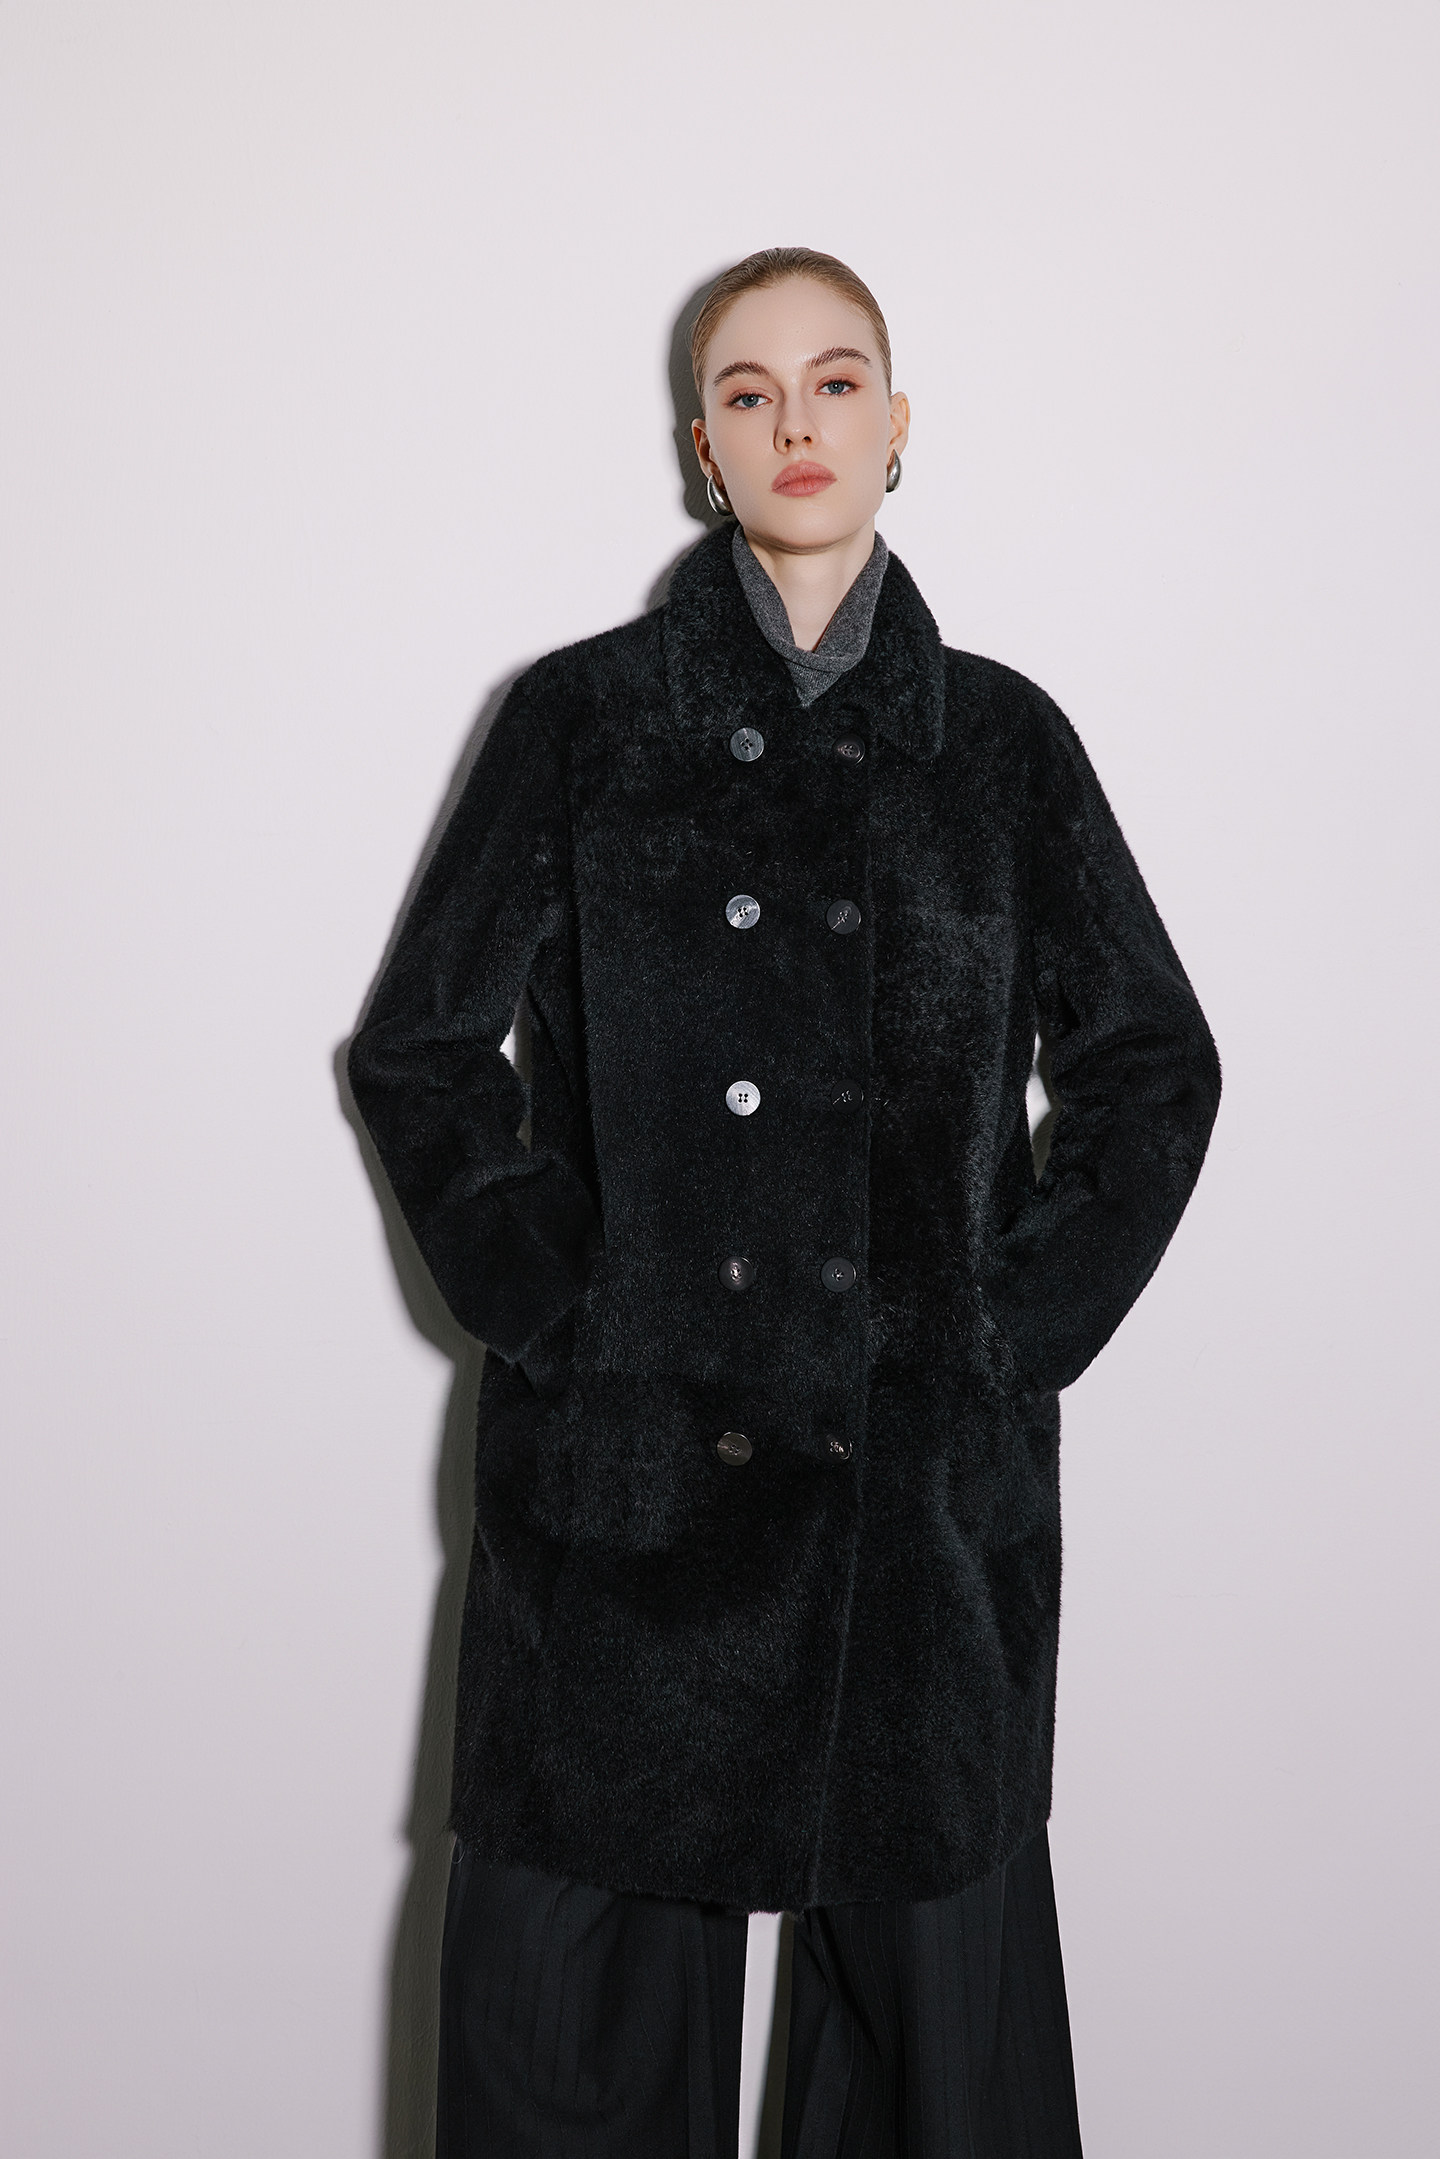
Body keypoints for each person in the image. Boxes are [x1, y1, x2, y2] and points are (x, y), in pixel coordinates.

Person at [347, 246, 1221, 2157]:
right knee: (568, 2051)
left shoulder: (1002, 742)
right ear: (703, 446)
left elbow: (1155, 1069)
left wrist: (1008, 1333)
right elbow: (421, 1052)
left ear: (897, 428)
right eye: (747, 392)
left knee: (940, 2070)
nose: (794, 421)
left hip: (914, 1513)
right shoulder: (581, 721)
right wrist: (569, 1311)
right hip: (630, 1491)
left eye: (835, 383)